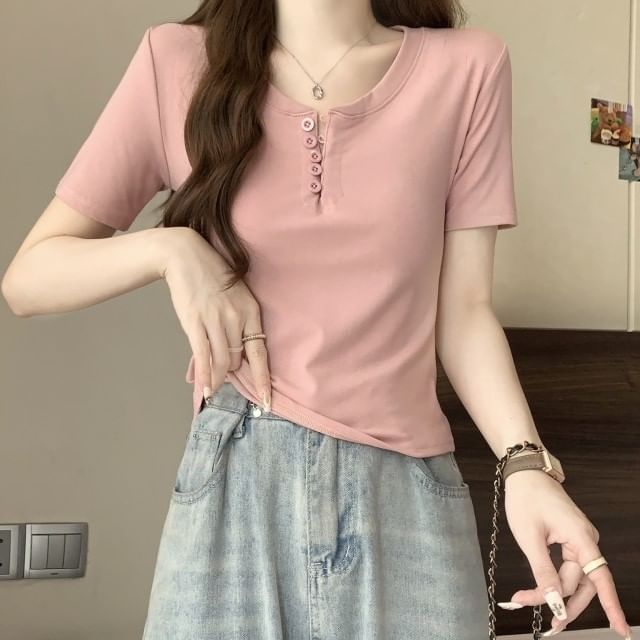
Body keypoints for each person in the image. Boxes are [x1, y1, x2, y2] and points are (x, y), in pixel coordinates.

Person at [2, 1, 632, 638]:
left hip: (406, 493)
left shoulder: (468, 68)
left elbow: (464, 311)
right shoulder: (175, 61)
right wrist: (170, 250)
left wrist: (526, 466)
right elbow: (27, 280)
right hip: (236, 485)